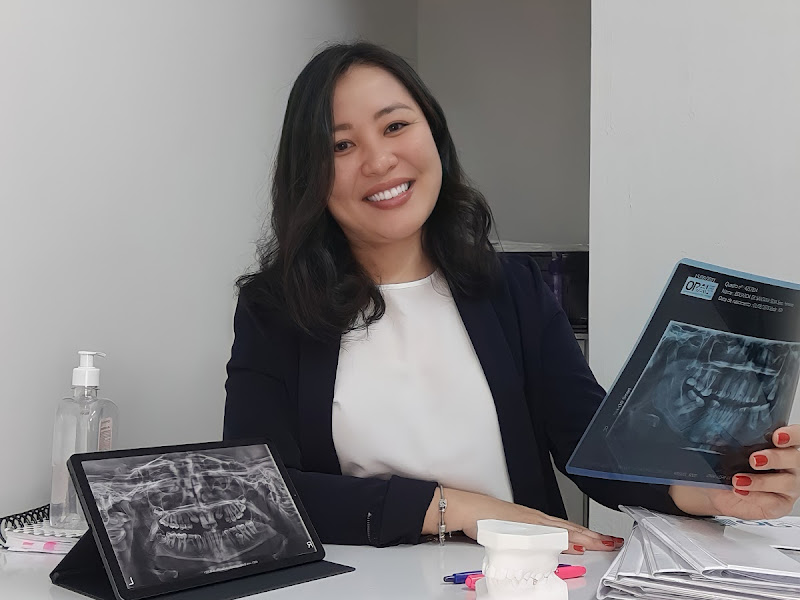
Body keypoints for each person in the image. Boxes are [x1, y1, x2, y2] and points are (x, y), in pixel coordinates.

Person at [223, 42, 800, 550]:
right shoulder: (275, 310)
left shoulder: (512, 288)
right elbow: (257, 493)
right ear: (310, 175)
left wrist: (713, 493)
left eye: (395, 126)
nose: (378, 161)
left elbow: (589, 445)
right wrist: (459, 509)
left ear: (434, 134)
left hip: (521, 579)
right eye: (341, 145)